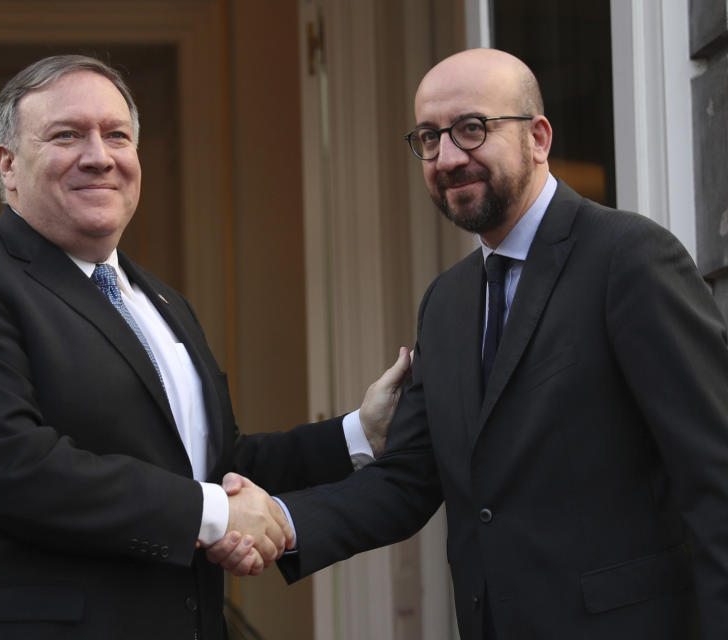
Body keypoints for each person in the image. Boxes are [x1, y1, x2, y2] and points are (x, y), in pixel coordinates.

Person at [0, 54, 410, 640]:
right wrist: (212, 516)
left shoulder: (160, 301)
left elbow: (214, 468)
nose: (99, 156)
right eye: (66, 135)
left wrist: (359, 435)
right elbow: (2, 466)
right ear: (8, 165)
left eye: (117, 136)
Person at [215, 48, 728, 640]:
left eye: (472, 129)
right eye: (429, 137)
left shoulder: (630, 259)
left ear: (538, 137)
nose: (449, 157)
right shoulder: (447, 302)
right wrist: (282, 518)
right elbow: (407, 480)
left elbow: (715, 478)